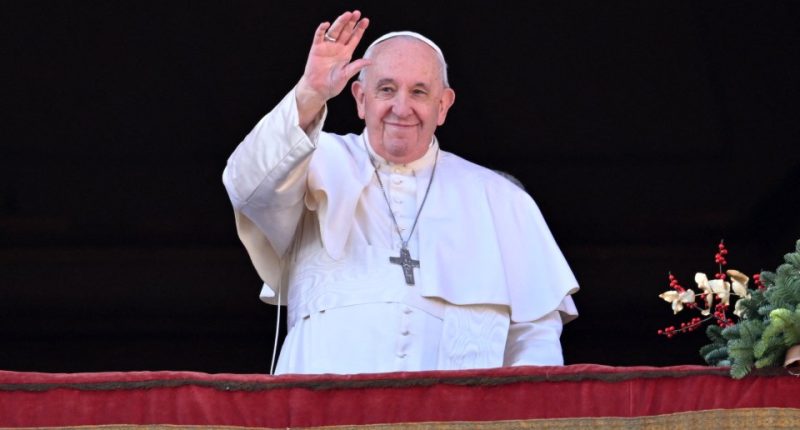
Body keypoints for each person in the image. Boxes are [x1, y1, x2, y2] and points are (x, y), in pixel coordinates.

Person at [222, 10, 579, 374]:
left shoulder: (501, 200)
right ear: (360, 98)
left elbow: (535, 341)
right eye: (386, 89)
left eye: (419, 92)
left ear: (443, 106)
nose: (401, 107)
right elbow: (247, 184)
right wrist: (309, 94)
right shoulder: (312, 159)